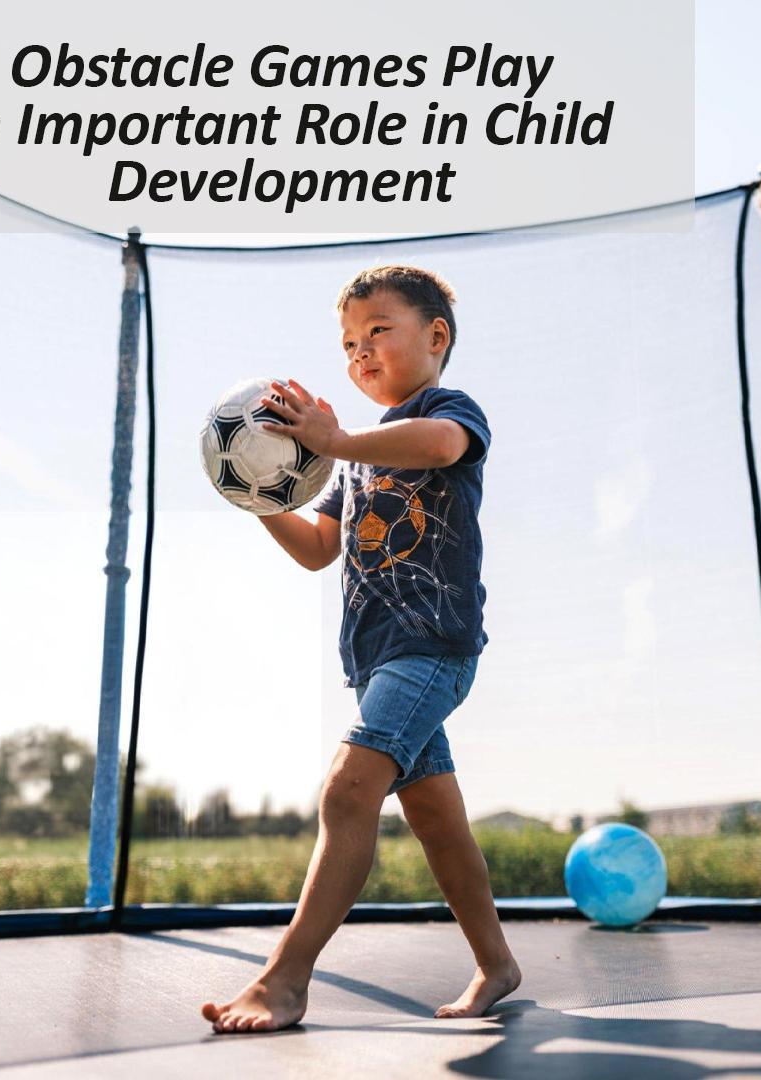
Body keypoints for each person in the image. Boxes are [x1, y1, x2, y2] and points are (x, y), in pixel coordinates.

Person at [201, 264, 521, 1034]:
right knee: (438, 819)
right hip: (379, 661)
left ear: (435, 336)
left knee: (348, 791)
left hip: (432, 648)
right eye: (349, 343)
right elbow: (317, 548)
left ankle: (284, 980)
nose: (362, 351)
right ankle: (497, 963)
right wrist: (257, 495)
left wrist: (339, 437)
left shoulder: (447, 410)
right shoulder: (352, 461)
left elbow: (443, 447)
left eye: (379, 331)